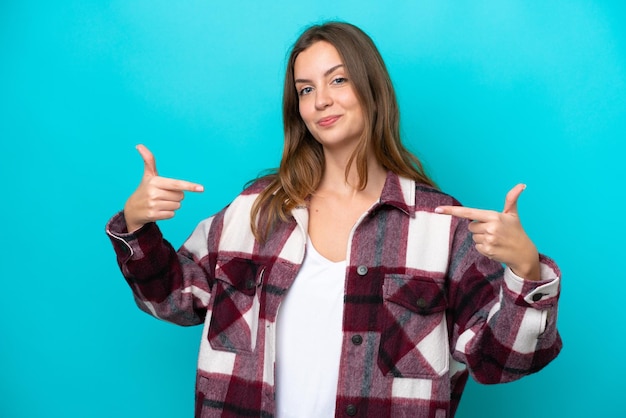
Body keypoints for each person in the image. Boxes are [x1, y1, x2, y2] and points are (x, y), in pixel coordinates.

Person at [106, 21, 562, 418]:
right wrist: (136, 224)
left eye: (338, 80)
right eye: (306, 89)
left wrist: (526, 271)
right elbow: (172, 298)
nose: (321, 100)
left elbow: (500, 362)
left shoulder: (440, 225)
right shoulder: (256, 209)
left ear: (371, 88)